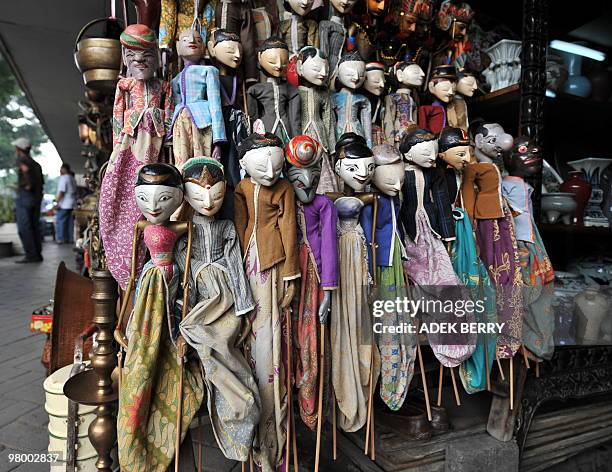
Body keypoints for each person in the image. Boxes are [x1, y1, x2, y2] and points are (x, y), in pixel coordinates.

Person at [13, 137, 44, 263]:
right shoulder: (36, 164)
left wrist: (27, 185)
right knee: (34, 226)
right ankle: (37, 254)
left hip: (26, 196)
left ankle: (31, 255)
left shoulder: (22, 160)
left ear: (19, 149)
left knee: (24, 227)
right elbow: (41, 183)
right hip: (36, 199)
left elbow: (25, 172)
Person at [55, 163, 77, 244]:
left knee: (61, 222)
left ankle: (61, 239)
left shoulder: (64, 178)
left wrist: (57, 202)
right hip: (72, 203)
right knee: (70, 223)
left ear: (64, 169)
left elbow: (62, 191)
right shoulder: (72, 178)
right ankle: (70, 238)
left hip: (64, 204)